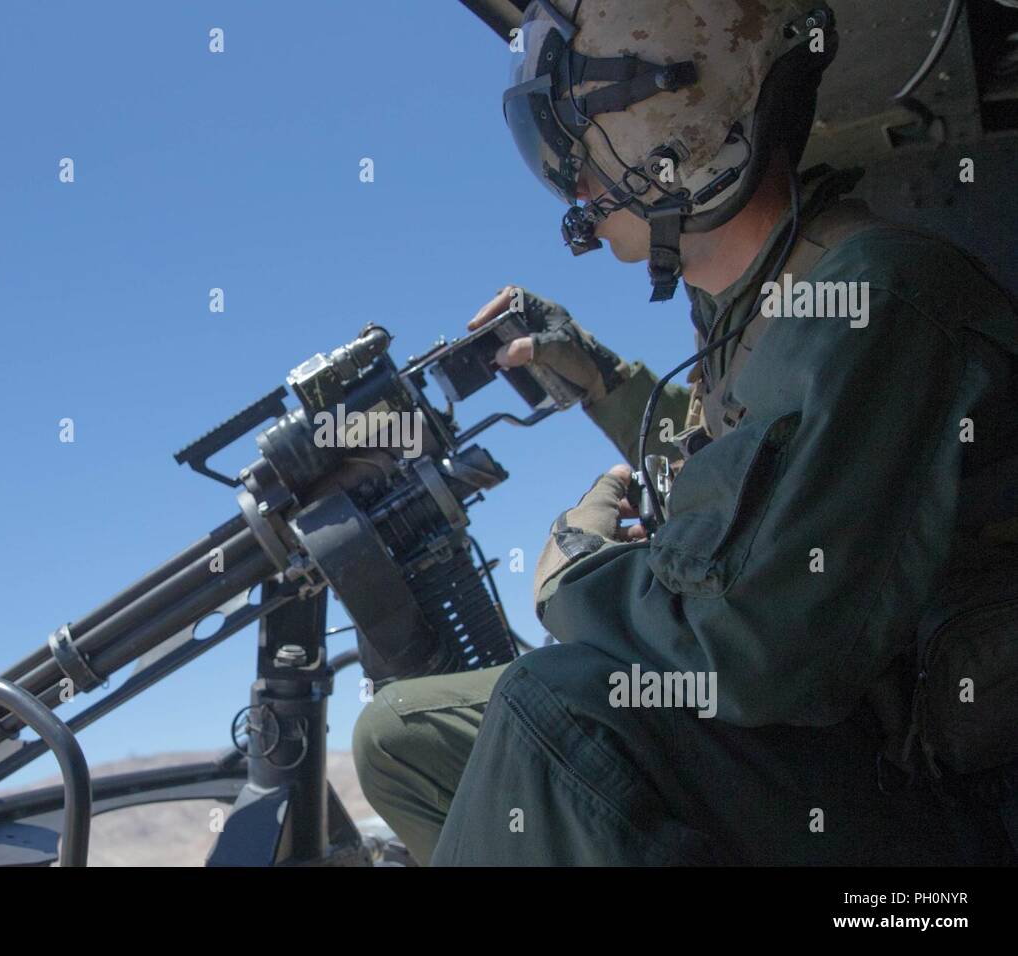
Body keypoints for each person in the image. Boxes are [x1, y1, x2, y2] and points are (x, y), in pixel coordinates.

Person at [353, 0, 1018, 866]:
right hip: (824, 733)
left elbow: (758, 647)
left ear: (675, 129)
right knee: (399, 735)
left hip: (927, 791)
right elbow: (754, 470)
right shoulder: (755, 306)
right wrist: (599, 378)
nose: (575, 183)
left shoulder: (877, 297)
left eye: (581, 140)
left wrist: (576, 574)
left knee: (549, 710)